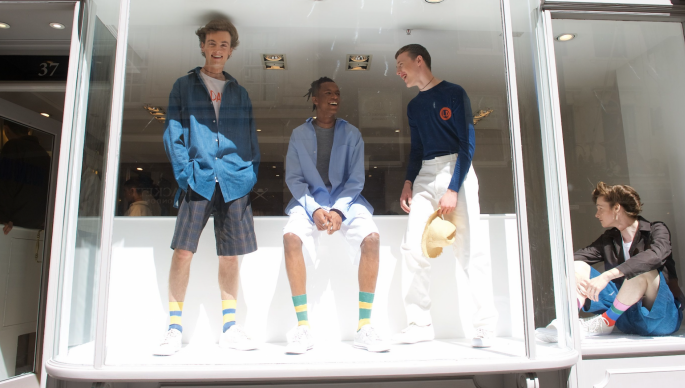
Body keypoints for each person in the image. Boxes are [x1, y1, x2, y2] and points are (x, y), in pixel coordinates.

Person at [156, 18, 260, 355]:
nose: (218, 50)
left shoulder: (240, 93)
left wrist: (249, 173)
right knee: (183, 252)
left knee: (230, 257)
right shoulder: (184, 86)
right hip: (198, 179)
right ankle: (173, 328)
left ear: (231, 50)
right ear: (203, 45)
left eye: (224, 45)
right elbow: (173, 132)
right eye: (212, 43)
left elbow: (251, 138)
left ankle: (230, 327)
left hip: (234, 180)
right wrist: (185, 174)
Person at [393, 44, 498, 348]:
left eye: (401, 64)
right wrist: (408, 181)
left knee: (470, 250)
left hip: (458, 170)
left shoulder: (454, 92)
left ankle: (485, 325)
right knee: (412, 248)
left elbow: (467, 144)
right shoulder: (414, 107)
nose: (398, 72)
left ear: (419, 60)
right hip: (425, 173)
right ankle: (419, 324)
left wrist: (453, 188)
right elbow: (416, 149)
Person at [282, 77, 389, 354]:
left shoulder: (352, 134)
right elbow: (294, 179)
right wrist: (315, 208)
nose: (334, 97)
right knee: (291, 238)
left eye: (338, 93)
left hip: (348, 201)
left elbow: (355, 180)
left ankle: (364, 327)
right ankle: (302, 327)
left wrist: (339, 210)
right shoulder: (298, 135)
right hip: (310, 202)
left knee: (373, 238)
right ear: (315, 99)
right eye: (328, 93)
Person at [537, 182, 685, 342]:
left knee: (644, 271)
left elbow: (655, 256)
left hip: (660, 318)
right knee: (576, 266)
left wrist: (607, 276)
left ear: (617, 208)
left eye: (600, 208)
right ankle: (570, 321)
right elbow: (574, 258)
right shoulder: (610, 239)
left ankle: (606, 320)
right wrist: (576, 280)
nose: (596, 214)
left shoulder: (656, 230)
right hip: (625, 317)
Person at [0, 121, 51, 235]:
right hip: (36, 227)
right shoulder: (44, 155)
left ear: (6, 130)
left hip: (10, 226)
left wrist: (0, 217)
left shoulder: (12, 147)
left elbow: (6, 184)